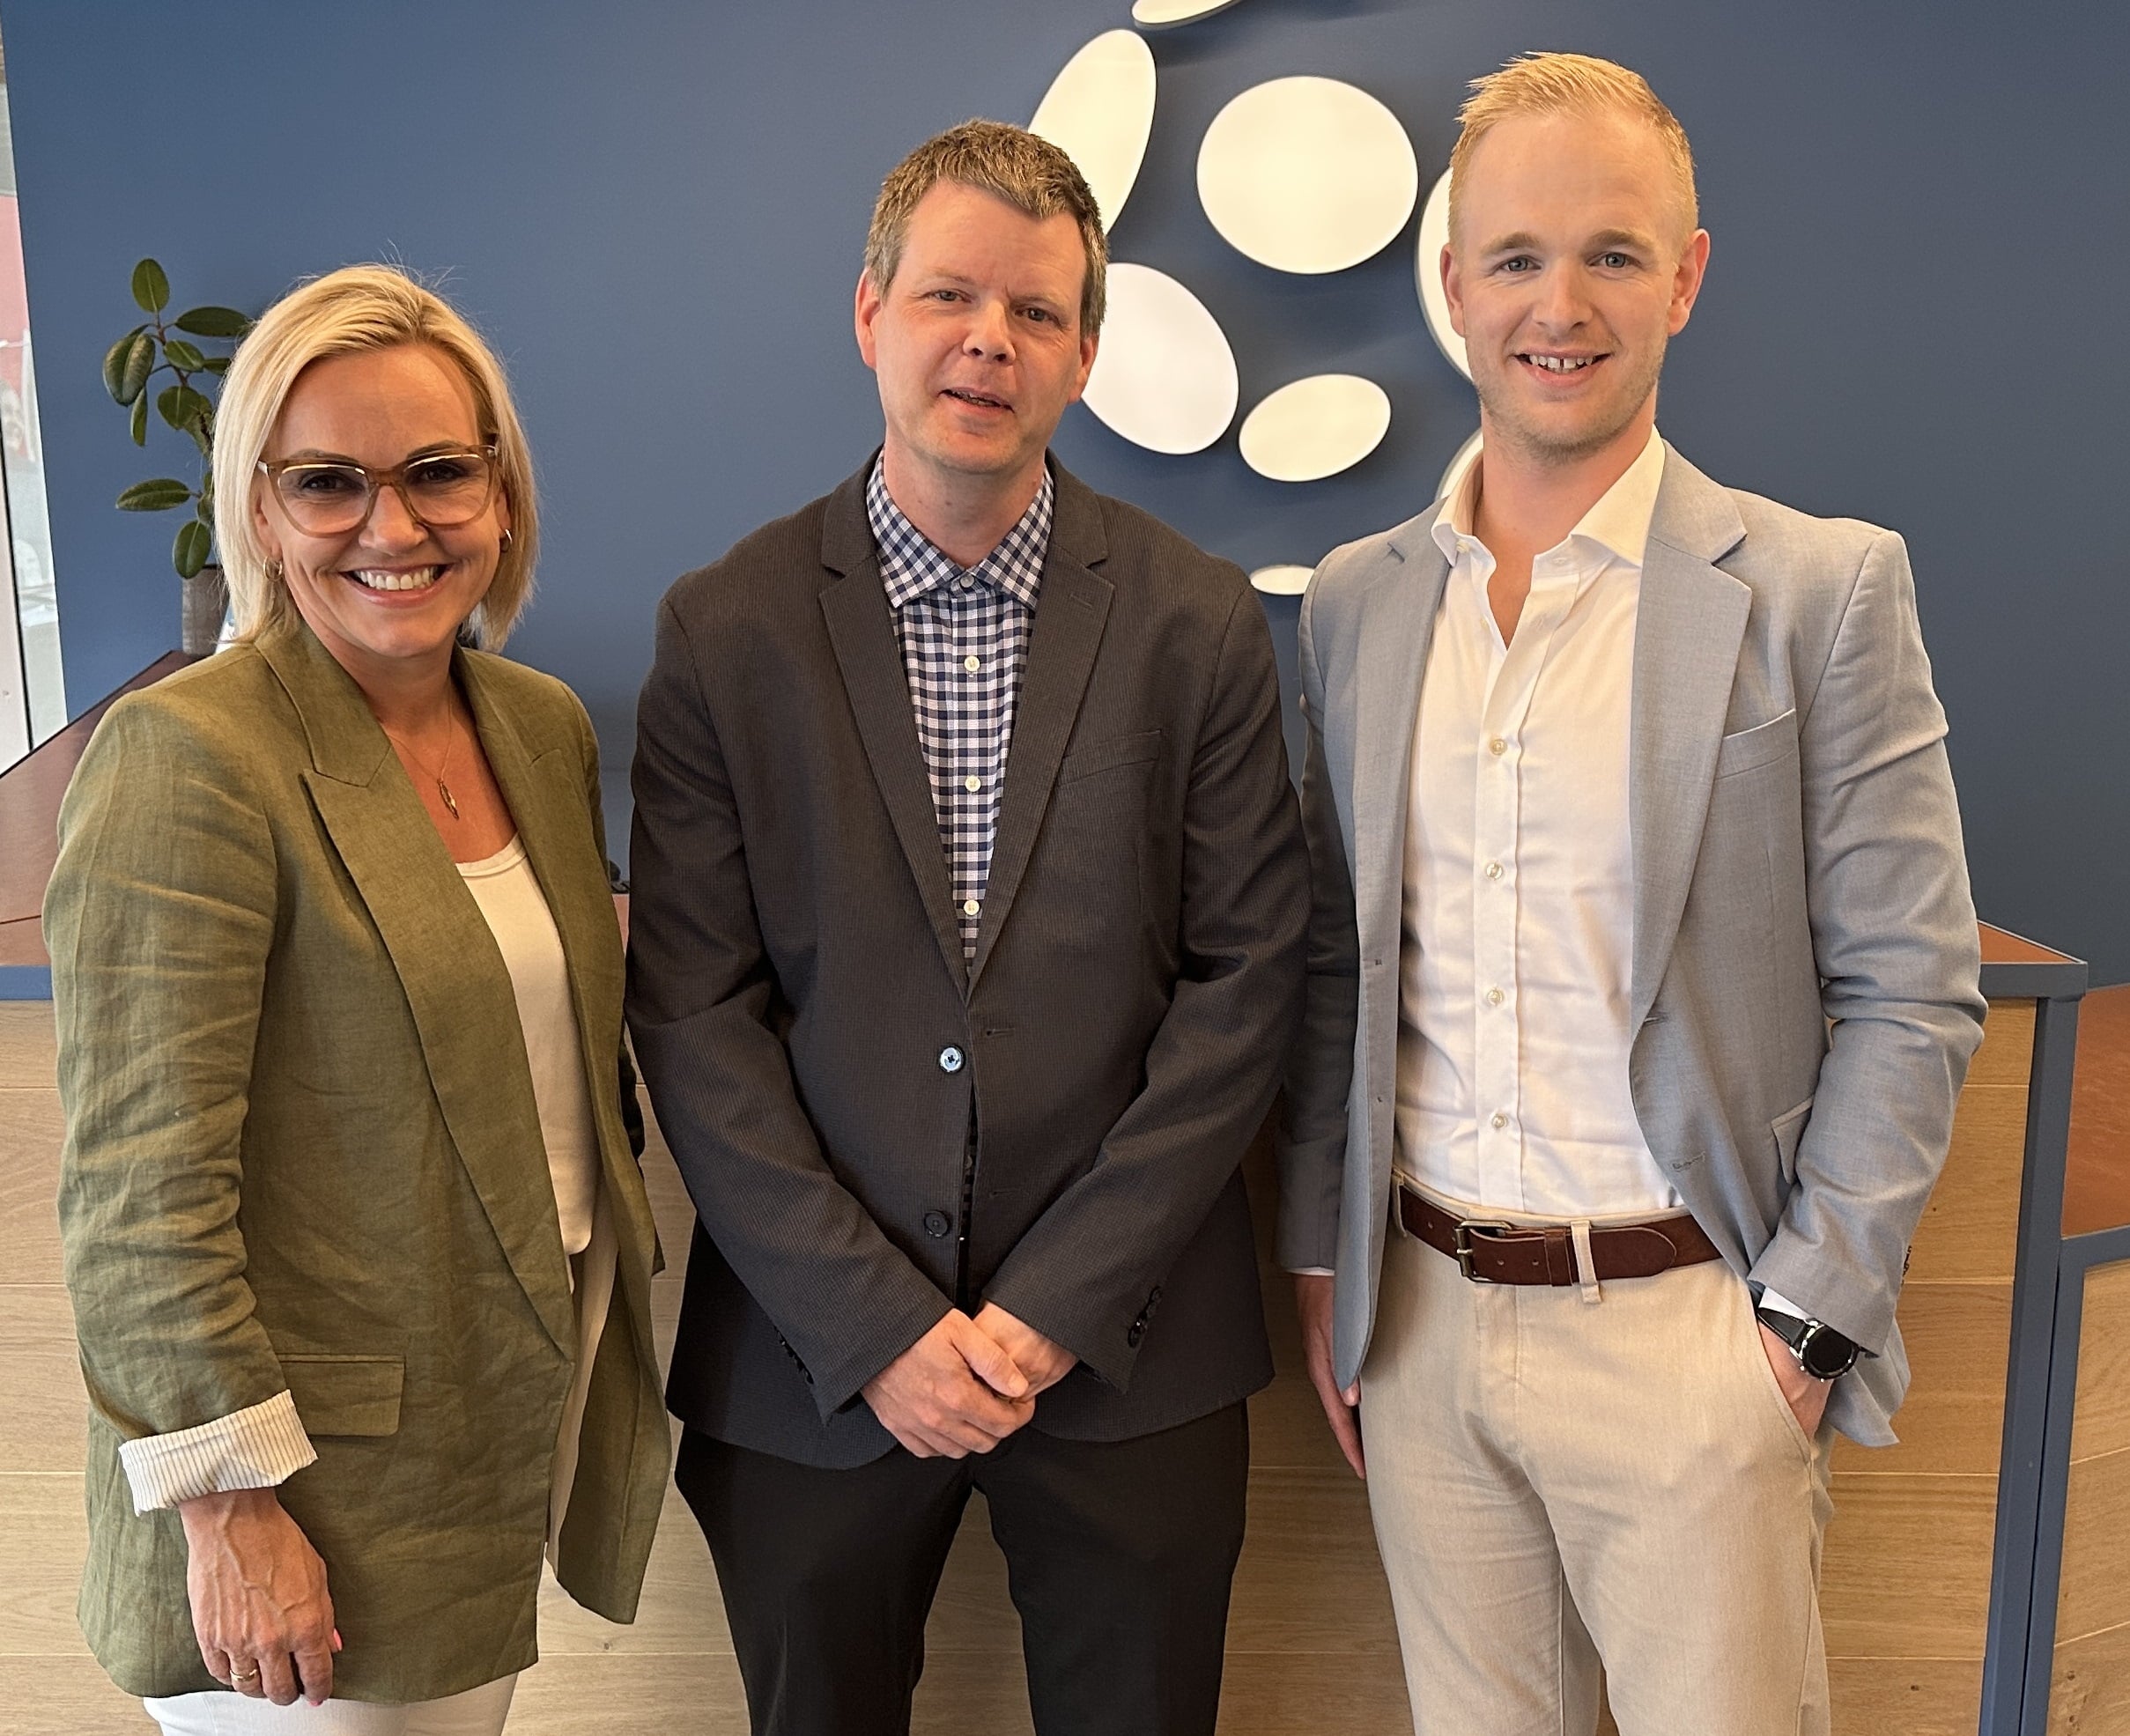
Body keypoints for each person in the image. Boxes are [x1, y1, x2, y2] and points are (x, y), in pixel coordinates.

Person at [1277, 52, 1986, 1736]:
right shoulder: (1358, 604)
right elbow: (1336, 972)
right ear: (1453, 283)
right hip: (1420, 1333)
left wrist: (1800, 1327)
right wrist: (1322, 1267)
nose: (1560, 305)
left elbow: (1911, 986)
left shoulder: (1817, 589)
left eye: (1611, 253)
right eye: (1516, 257)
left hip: (1694, 1338)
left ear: (1685, 276)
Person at [627, 119, 1307, 1736]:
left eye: (1035, 311)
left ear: (1084, 355)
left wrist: (1054, 1306)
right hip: (812, 1364)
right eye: (948, 295)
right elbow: (694, 1015)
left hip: (1130, 1349)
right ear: (870, 313)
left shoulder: (1198, 623)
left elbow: (1242, 987)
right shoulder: (724, 630)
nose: (988, 340)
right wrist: (877, 1325)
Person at [48, 264, 671, 1736]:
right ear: (259, 512)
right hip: (299, 1490)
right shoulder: (190, 756)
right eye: (327, 482)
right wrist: (229, 1509)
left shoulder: (535, 726)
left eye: (439, 472)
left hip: (493, 1419)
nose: (394, 528)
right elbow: (140, 1199)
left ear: (501, 495)